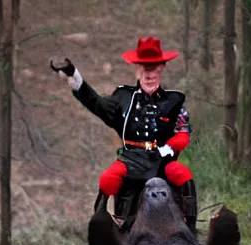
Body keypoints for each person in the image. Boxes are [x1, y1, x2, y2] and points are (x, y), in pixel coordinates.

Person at [51, 36, 196, 231]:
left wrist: (167, 149)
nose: (149, 74)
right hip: (131, 160)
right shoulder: (123, 97)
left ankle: (191, 230)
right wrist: (74, 76)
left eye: (153, 68)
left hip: (162, 161)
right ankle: (101, 231)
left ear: (162, 68)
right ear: (137, 69)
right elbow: (97, 104)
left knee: (184, 175)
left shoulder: (174, 100)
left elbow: (183, 133)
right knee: (107, 179)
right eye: (145, 68)